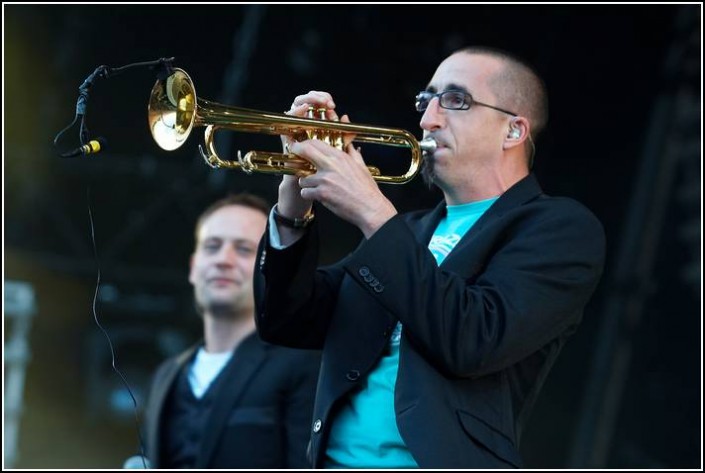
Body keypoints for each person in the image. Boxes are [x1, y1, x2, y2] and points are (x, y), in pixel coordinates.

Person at [252, 46, 606, 469]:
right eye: (426, 101)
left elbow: (473, 339)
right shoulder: (411, 231)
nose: (427, 119)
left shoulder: (559, 229)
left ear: (513, 131)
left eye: (455, 101)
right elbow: (288, 320)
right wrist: (293, 208)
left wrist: (374, 212)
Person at [141, 193, 320, 469]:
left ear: (270, 268)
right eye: (212, 246)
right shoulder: (166, 375)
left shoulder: (301, 365)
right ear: (193, 267)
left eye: (244, 249)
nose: (223, 260)